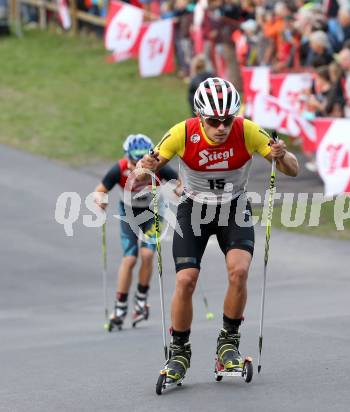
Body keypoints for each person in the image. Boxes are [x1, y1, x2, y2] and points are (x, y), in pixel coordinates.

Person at [137, 77, 299, 383]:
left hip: (234, 207)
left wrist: (283, 156)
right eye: (213, 121)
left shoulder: (248, 130)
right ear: (201, 117)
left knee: (239, 272)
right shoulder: (181, 133)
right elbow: (142, 173)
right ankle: (180, 351)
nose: (221, 127)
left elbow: (292, 169)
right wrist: (145, 168)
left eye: (227, 119)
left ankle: (228, 344)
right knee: (186, 280)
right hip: (193, 209)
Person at [94, 134, 179, 329]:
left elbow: (179, 184)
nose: (136, 165)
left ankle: (141, 299)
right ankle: (120, 305)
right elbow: (100, 190)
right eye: (133, 160)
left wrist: (180, 191)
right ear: (127, 156)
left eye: (141, 160)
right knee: (130, 258)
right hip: (128, 213)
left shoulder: (160, 166)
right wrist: (101, 201)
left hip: (154, 212)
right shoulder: (120, 168)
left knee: (147, 254)